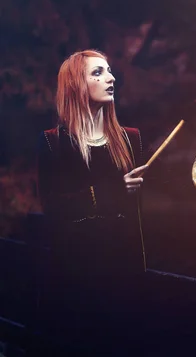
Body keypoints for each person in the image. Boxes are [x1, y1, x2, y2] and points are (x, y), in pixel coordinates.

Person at [35, 49, 149, 356]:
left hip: (123, 283)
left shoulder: (130, 139)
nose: (110, 78)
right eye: (97, 73)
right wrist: (110, 191)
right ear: (76, 84)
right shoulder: (54, 142)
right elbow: (54, 208)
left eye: (109, 71)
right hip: (75, 283)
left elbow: (140, 215)